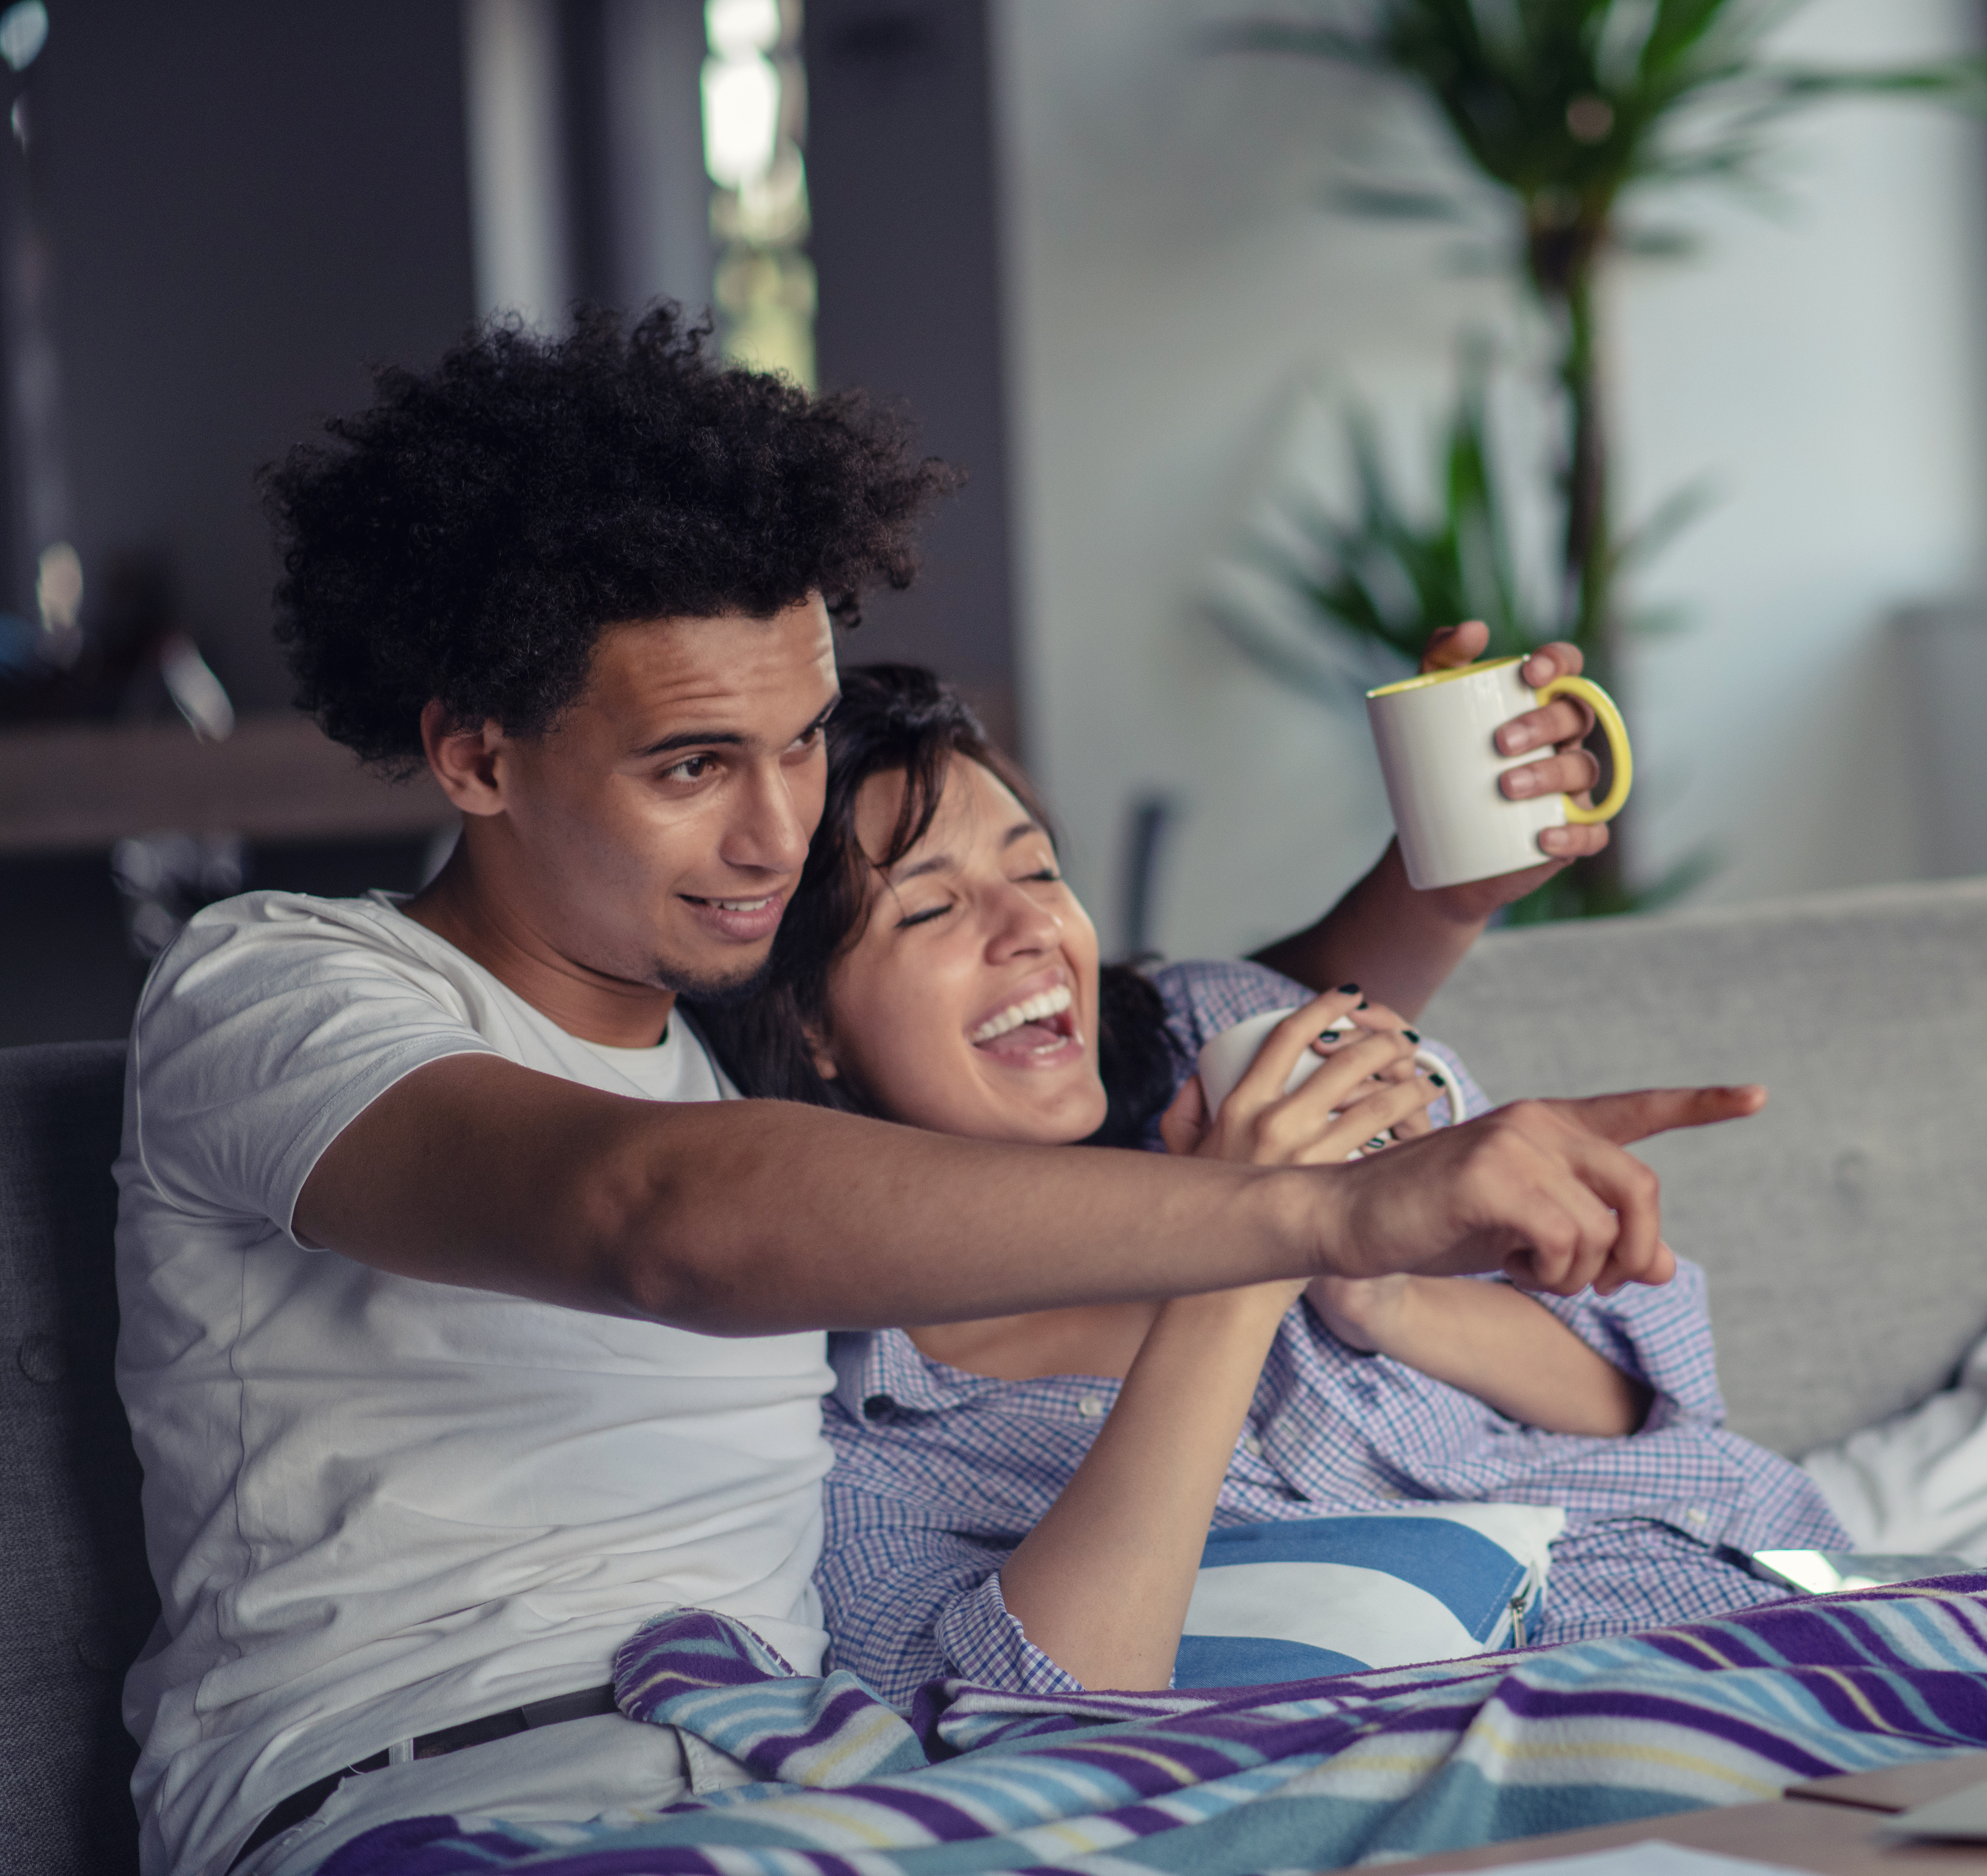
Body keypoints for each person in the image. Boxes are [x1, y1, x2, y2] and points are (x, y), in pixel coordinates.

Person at [116, 308, 1753, 1876]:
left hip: (816, 1777)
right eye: (694, 765)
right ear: (477, 759)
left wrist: (1434, 892)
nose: (774, 833)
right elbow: (655, 1219)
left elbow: (1152, 1029)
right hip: (458, 1788)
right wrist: (1304, 1214)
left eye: (806, 742)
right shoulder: (282, 990)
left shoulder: (744, 1072)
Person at [693, 665, 1836, 1711]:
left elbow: (1651, 1414)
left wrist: (1381, 1295)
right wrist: (1248, 1249)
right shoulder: (849, 1420)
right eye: (931, 907)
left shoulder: (1219, 1039)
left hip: (1785, 1597)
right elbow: (1022, 1711)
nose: (1034, 927)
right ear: (810, 1025)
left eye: (1040, 868)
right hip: (1556, 1715)